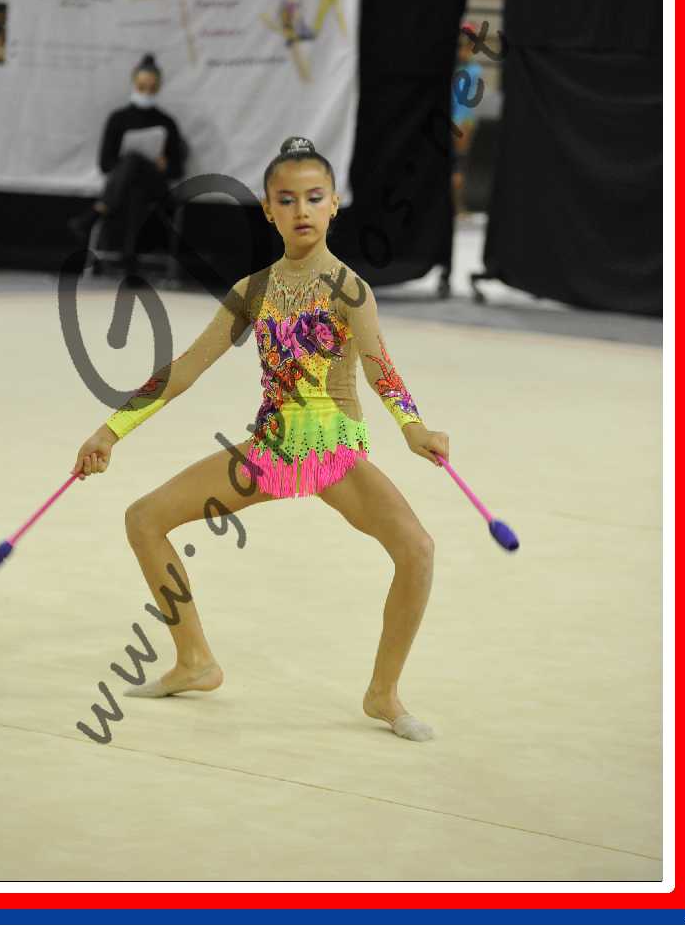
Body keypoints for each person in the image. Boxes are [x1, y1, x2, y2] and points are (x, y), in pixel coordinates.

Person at [72, 136, 450, 742]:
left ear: (335, 204)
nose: (302, 210)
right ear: (268, 210)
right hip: (270, 450)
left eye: (315, 197)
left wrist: (414, 428)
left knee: (418, 550)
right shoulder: (253, 290)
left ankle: (383, 693)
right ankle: (195, 660)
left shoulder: (350, 288)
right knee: (144, 518)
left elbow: (382, 369)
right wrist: (110, 430)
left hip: (331, 453)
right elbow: (185, 368)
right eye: (286, 199)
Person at [69, 54, 187, 280]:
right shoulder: (118, 119)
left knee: (134, 164)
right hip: (127, 189)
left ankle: (95, 213)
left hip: (156, 186)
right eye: (142, 87)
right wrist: (126, 164)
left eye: (152, 88)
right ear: (134, 84)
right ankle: (129, 258)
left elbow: (177, 170)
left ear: (159, 88)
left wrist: (164, 165)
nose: (146, 92)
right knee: (134, 184)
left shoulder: (166, 123)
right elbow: (105, 164)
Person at [451, 22, 484, 218]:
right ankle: (457, 207)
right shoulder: (473, 70)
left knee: (456, 165)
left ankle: (456, 207)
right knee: (458, 165)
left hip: (460, 119)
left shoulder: (468, 69)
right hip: (462, 121)